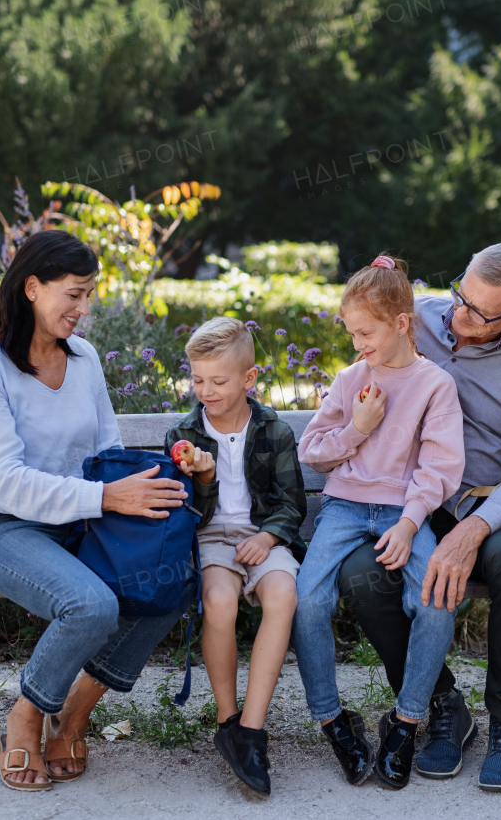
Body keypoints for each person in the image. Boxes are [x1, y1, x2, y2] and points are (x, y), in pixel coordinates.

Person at [0, 230, 194, 791]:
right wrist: (106, 498)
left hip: (77, 523)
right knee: (91, 606)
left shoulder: (82, 359)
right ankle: (26, 716)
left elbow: (106, 455)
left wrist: (167, 482)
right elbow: (5, 484)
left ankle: (74, 715)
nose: (83, 310)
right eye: (74, 294)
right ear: (32, 287)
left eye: (89, 296)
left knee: (174, 579)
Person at [335, 243, 501, 793]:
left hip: (487, 502)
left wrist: (475, 527)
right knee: (359, 576)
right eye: (461, 297)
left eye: (481, 314)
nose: (458, 318)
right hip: (409, 496)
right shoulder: (417, 314)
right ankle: (440, 702)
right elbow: (362, 342)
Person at [293, 255, 465, 790]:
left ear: (401, 323)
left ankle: (406, 721)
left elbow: (440, 469)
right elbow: (313, 452)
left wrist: (412, 523)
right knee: (308, 600)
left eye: (365, 332)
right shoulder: (350, 379)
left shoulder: (435, 385)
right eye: (349, 333)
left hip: (402, 512)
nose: (356, 343)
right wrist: (358, 430)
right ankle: (333, 721)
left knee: (435, 600)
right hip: (343, 506)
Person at [164, 317, 307, 798]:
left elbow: (291, 505)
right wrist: (202, 480)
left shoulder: (274, 431)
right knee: (219, 603)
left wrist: (268, 538)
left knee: (284, 594)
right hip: (211, 539)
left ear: (249, 379)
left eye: (219, 381)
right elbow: (184, 515)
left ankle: (252, 728)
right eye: (197, 379)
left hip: (263, 536)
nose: (206, 390)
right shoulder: (183, 434)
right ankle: (227, 722)